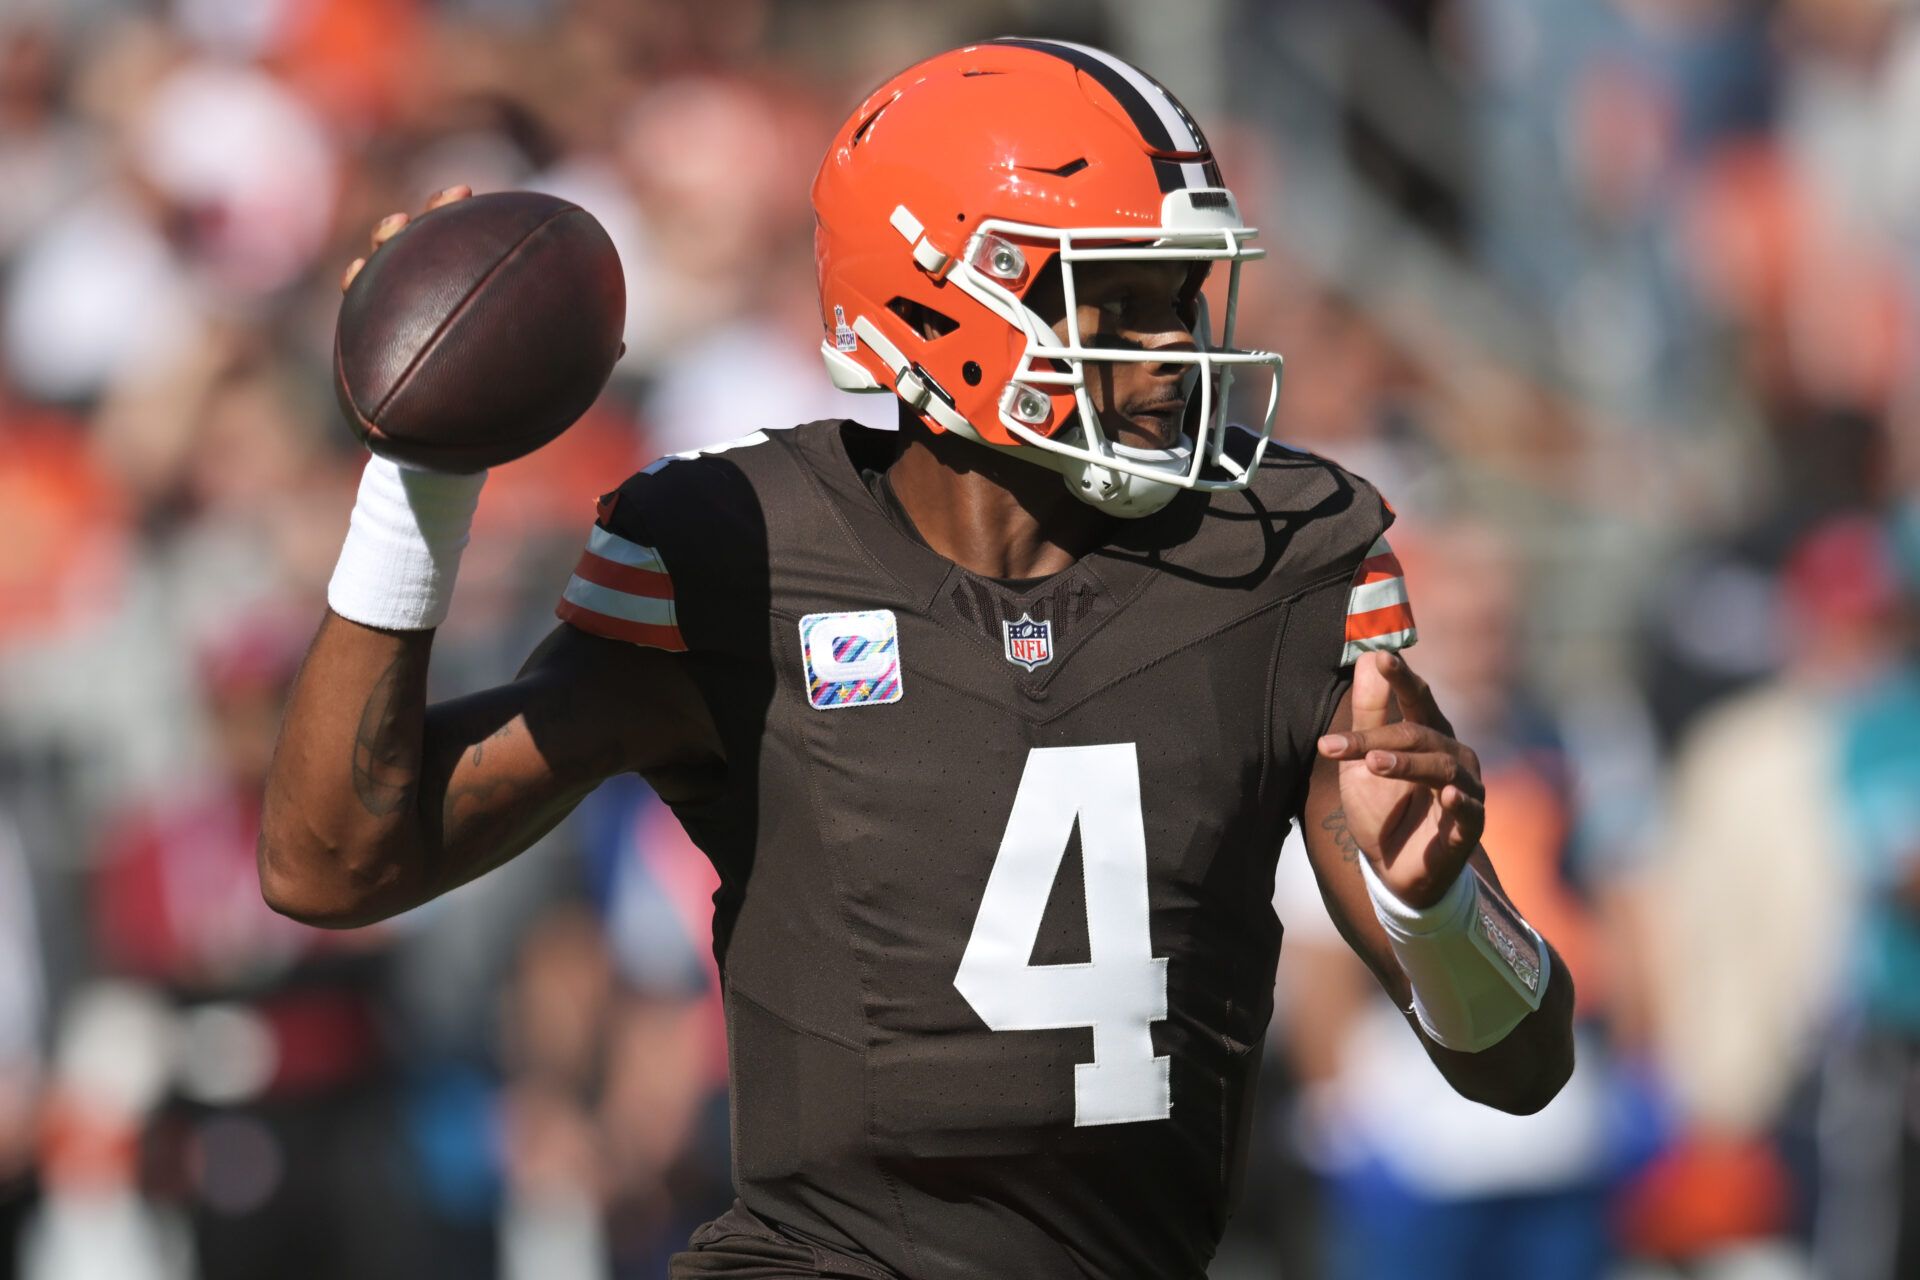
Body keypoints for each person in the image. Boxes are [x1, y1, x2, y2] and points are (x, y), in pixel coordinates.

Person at [260, 40, 1575, 1279]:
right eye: (1114, 301)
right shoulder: (738, 551)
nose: (1173, 349)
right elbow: (335, 862)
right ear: (939, 300)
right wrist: (420, 478)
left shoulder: (1280, 557)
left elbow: (1522, 1066)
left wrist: (1438, 910)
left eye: (1179, 296)